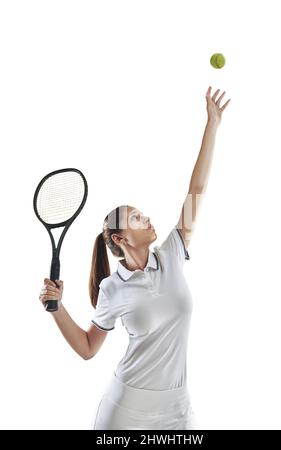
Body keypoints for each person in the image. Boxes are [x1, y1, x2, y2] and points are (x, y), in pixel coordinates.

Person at [39, 86, 231, 429]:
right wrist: (58, 307)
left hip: (177, 411)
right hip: (125, 412)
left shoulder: (172, 252)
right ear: (120, 237)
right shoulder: (112, 289)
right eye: (137, 217)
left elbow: (195, 191)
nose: (147, 219)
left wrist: (212, 125)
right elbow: (87, 348)